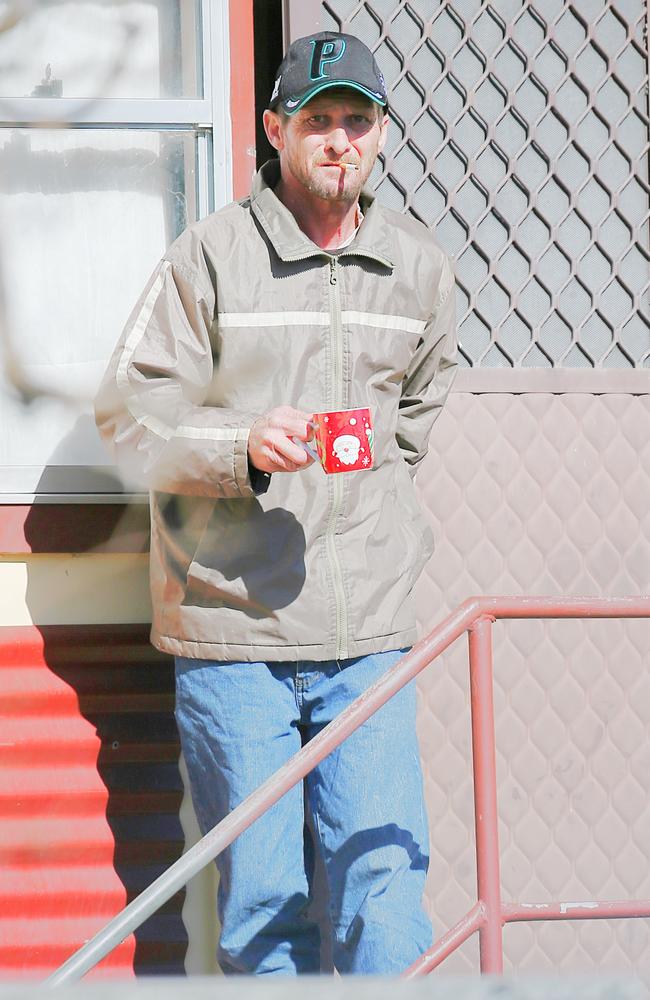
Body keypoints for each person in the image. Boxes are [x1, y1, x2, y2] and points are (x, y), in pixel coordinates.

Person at [95, 30, 457, 976]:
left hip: (366, 633)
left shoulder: (419, 268)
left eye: (358, 121)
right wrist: (239, 446)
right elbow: (126, 417)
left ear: (379, 134)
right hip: (234, 633)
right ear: (274, 129)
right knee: (263, 911)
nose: (340, 140)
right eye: (318, 120)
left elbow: (412, 421)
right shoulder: (208, 257)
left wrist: (368, 515)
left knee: (384, 895)